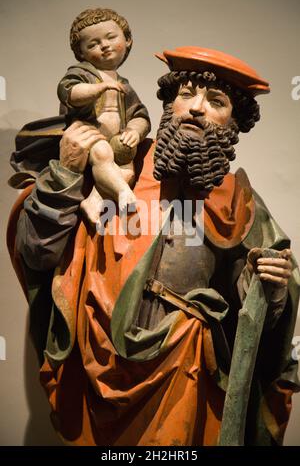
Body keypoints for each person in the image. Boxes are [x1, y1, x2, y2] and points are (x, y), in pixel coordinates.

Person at [7, 46, 299, 446]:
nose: (196, 108)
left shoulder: (237, 203)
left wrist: (274, 287)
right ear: (167, 103)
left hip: (186, 369)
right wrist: (66, 170)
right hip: (98, 367)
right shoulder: (109, 166)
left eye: (215, 101)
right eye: (186, 94)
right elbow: (38, 253)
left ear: (234, 123)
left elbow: (256, 320)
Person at [58, 8, 151, 222]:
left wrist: (134, 132)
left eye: (111, 37)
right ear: (81, 52)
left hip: (117, 138)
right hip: (90, 135)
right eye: (93, 44)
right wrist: (97, 89)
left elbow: (140, 114)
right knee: (103, 155)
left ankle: (93, 200)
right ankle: (122, 192)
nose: (104, 45)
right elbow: (68, 92)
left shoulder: (123, 85)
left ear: (127, 40)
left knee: (127, 170)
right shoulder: (81, 73)